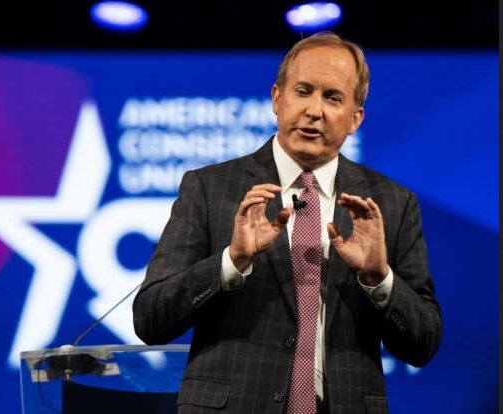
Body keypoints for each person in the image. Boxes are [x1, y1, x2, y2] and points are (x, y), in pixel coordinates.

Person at [132, 32, 442, 414]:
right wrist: (231, 262)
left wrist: (380, 280)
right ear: (277, 98)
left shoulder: (391, 203)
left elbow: (423, 343)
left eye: (332, 98)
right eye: (303, 91)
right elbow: (150, 318)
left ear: (355, 118)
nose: (314, 110)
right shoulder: (209, 189)